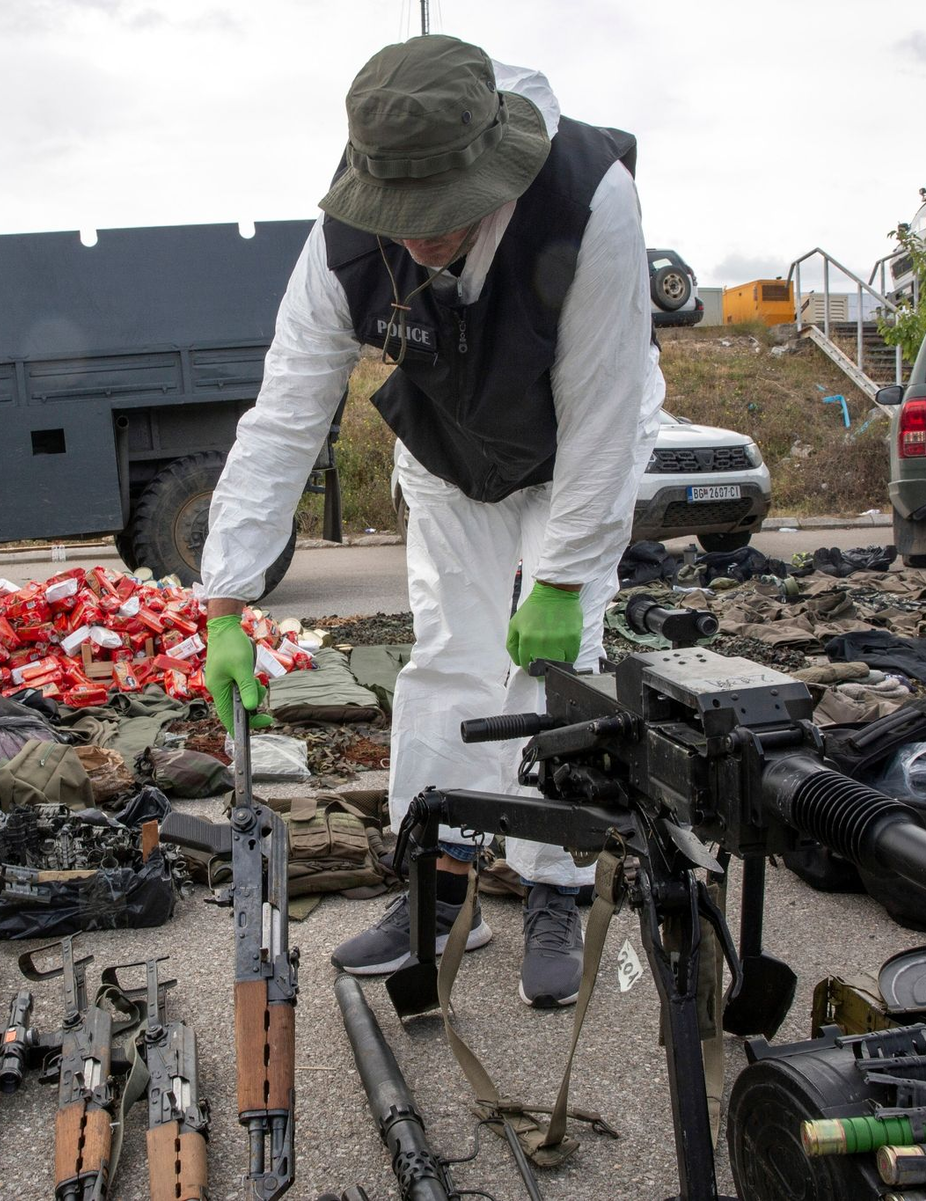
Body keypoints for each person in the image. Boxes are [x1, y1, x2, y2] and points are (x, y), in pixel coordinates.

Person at [200, 34, 664, 1007]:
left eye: (439, 216)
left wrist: (567, 576)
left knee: (556, 663)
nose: (415, 239)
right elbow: (287, 409)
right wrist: (229, 600)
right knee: (449, 654)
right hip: (453, 450)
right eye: (398, 217)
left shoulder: (590, 199)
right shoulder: (339, 242)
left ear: (492, 172)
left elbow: (603, 413)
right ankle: (438, 888)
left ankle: (553, 884)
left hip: (572, 446)